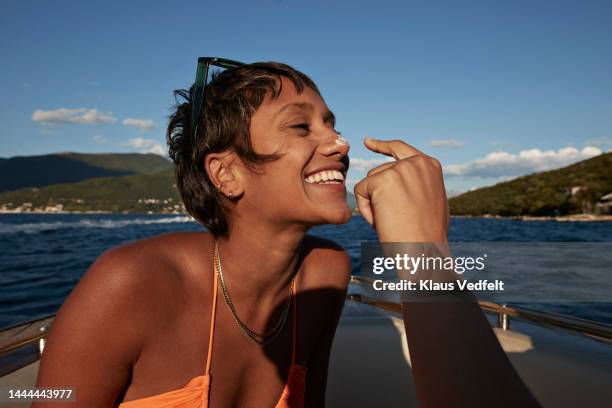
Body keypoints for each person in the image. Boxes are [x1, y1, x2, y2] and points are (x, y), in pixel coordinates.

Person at [34, 60, 539, 408]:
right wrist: (424, 254)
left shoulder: (325, 272)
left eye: (330, 124)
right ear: (225, 173)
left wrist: (422, 250)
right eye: (301, 127)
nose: (339, 143)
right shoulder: (130, 280)